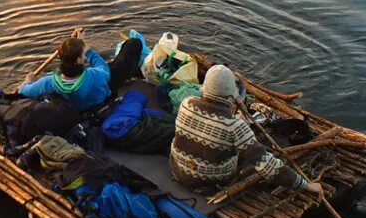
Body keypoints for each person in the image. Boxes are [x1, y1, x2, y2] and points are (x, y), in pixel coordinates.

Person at [169, 64, 323, 196]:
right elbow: (267, 165)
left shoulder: (186, 103)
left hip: (178, 171)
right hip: (209, 185)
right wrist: (306, 185)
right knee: (259, 154)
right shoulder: (234, 125)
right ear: (231, 95)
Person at [17, 27, 144, 112]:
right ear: (78, 60)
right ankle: (133, 72)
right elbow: (103, 68)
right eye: (82, 55)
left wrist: (29, 81)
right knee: (133, 44)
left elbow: (23, 91)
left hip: (78, 110)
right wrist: (88, 50)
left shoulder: (48, 83)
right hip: (102, 99)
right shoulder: (94, 75)